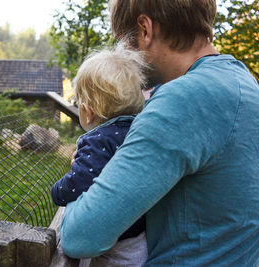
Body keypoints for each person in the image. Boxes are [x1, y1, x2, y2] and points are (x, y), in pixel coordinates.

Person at [60, 0, 259, 266]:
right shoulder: (244, 83)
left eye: (124, 43)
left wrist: (82, 181)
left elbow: (80, 236)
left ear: (145, 30)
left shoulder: (184, 98)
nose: (123, 58)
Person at [51, 45, 147, 266]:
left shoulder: (97, 140)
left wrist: (57, 191)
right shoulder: (139, 131)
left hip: (113, 248)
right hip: (139, 237)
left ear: (88, 110)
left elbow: (79, 182)